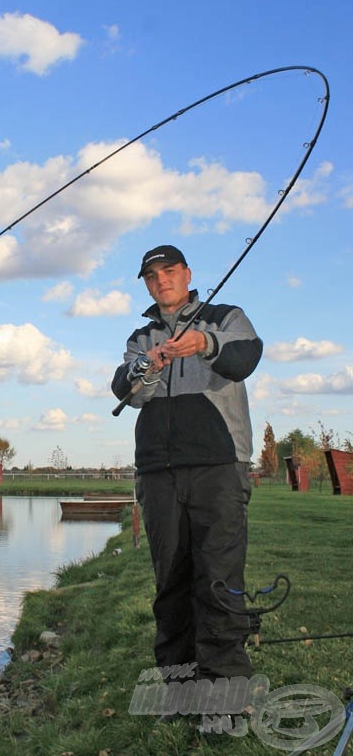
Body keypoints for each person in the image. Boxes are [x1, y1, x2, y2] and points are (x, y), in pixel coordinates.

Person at [111, 245, 263, 686]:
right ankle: (177, 685)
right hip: (158, 471)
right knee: (171, 584)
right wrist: (148, 363)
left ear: (187, 273)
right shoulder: (141, 338)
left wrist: (205, 344)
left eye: (169, 271)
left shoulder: (226, 316)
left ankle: (224, 688)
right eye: (152, 276)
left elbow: (245, 359)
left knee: (218, 579)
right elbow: (126, 390)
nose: (162, 281)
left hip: (219, 465)